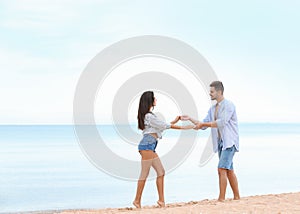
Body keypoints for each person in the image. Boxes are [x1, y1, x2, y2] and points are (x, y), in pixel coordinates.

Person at [133, 91, 195, 209]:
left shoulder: (150, 116)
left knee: (161, 172)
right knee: (144, 174)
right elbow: (165, 126)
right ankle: (137, 201)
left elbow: (162, 126)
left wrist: (175, 121)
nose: (156, 99)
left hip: (150, 146)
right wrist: (185, 127)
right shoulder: (149, 116)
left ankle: (161, 201)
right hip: (147, 146)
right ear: (150, 101)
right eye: (154, 97)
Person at [182, 81, 240, 201]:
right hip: (220, 143)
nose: (210, 94)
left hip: (229, 142)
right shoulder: (213, 108)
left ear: (219, 92)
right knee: (229, 170)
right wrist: (191, 119)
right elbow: (203, 125)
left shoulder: (229, 105)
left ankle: (221, 198)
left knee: (221, 168)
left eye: (212, 92)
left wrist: (203, 124)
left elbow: (221, 122)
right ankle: (237, 197)